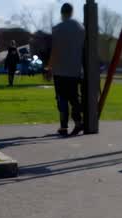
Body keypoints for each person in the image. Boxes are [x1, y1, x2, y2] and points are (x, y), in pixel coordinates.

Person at [50, 4, 84, 136]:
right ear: (72, 12)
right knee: (74, 97)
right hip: (75, 69)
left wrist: (49, 67)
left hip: (60, 69)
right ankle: (78, 122)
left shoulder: (58, 28)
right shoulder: (81, 28)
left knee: (62, 98)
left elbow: (55, 50)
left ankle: (63, 126)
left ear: (62, 13)